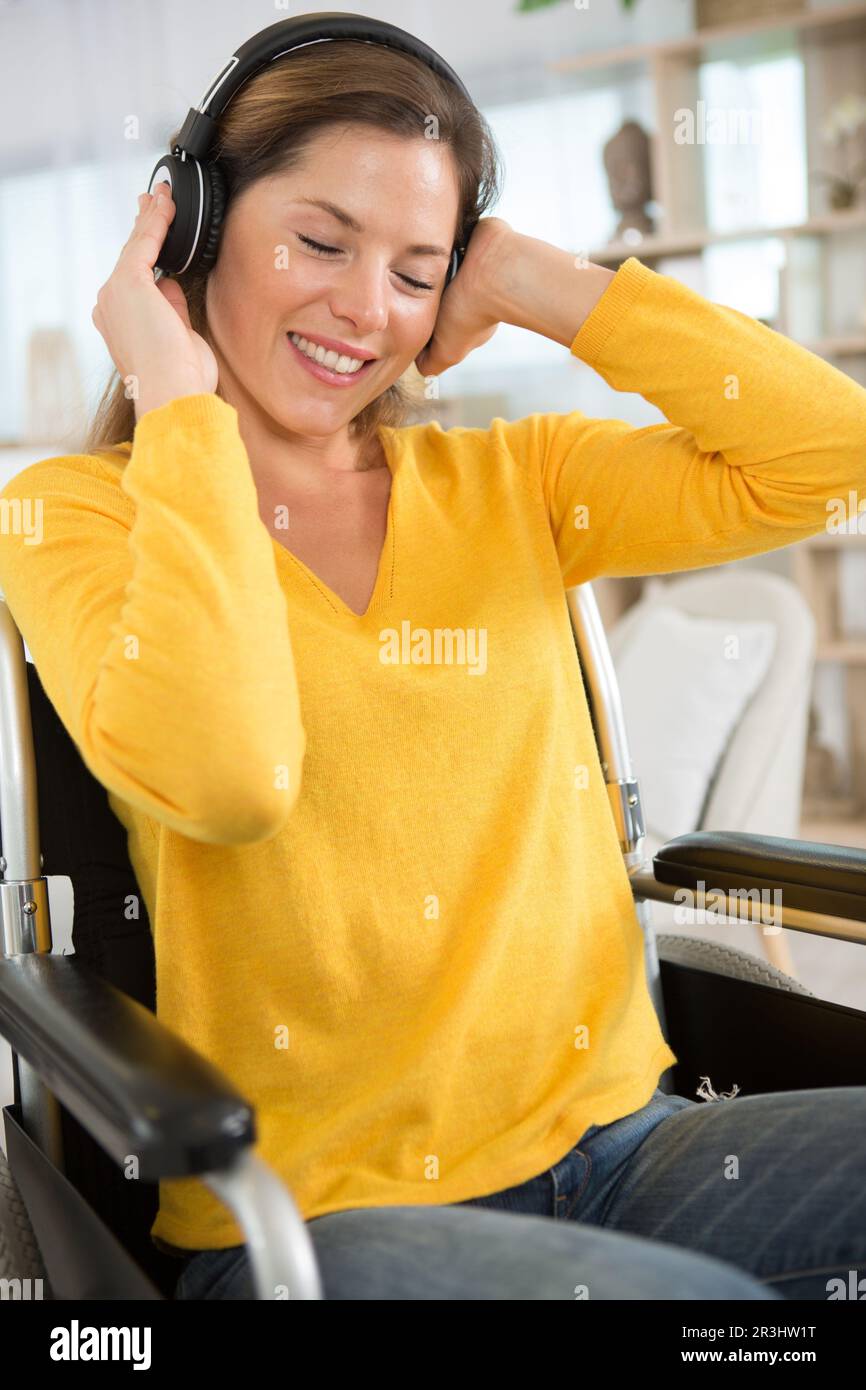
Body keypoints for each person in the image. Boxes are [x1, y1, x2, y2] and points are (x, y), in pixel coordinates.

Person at [2, 35, 865, 1302]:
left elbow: (830, 458)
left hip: (623, 1147)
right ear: (191, 230)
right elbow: (226, 774)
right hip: (314, 1229)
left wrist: (532, 278)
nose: (368, 310)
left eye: (417, 269)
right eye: (321, 242)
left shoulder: (514, 479)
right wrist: (177, 400)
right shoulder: (75, 514)